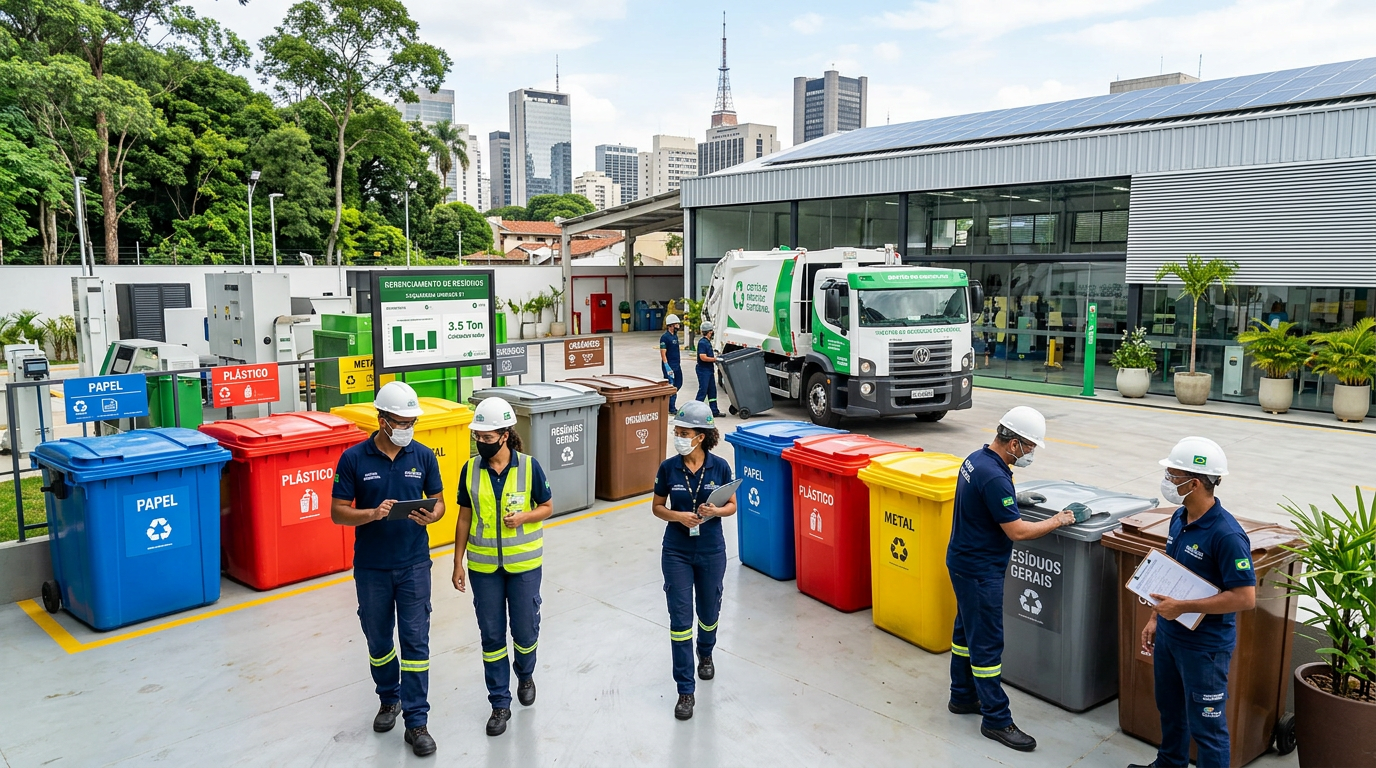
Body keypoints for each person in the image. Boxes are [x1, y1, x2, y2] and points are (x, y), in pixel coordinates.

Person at [945, 406, 1075, 753]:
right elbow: (1017, 531)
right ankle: (996, 719)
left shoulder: (977, 459)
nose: (1032, 452)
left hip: (961, 561)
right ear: (1014, 442)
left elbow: (983, 499)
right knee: (987, 643)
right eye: (1030, 445)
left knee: (965, 633)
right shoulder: (995, 476)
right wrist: (1058, 521)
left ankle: (961, 696)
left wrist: (1012, 499)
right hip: (979, 570)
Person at [331, 381, 444, 757]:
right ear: (382, 421)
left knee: (415, 643)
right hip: (372, 568)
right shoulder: (354, 460)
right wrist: (372, 513)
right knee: (379, 642)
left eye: (412, 421)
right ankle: (388, 698)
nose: (407, 428)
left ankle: (417, 722)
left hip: (414, 564)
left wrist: (432, 515)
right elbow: (337, 512)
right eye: (401, 421)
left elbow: (440, 502)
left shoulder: (424, 456)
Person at [1129, 437, 1255, 768]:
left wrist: (1182, 609)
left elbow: (1245, 597)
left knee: (1208, 728)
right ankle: (1168, 764)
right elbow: (1172, 576)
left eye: (1172, 475)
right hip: (1171, 636)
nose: (1167, 482)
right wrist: (1156, 618)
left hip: (1205, 649)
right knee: (1170, 709)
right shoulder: (1179, 517)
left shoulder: (1227, 536)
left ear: (1194, 482)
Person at [452, 396, 554, 738]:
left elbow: (548, 506)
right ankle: (499, 702)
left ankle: (525, 673)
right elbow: (464, 516)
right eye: (477, 437)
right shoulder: (470, 469)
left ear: (505, 434)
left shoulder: (529, 467)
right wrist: (456, 562)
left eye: (487, 436)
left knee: (524, 631)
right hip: (483, 567)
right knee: (492, 636)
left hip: (524, 565)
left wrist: (525, 516)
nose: (481, 442)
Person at [651, 401, 736, 721]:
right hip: (676, 551)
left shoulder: (720, 467)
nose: (678, 437)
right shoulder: (668, 468)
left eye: (684, 433)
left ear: (700, 436)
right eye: (676, 432)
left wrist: (716, 512)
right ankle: (685, 690)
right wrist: (677, 517)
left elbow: (731, 505)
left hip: (712, 550)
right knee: (679, 620)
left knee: (709, 610)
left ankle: (706, 651)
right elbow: (657, 507)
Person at [694, 321, 722, 417]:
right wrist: (714, 359)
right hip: (703, 370)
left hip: (709, 370)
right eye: (712, 331)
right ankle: (694, 411)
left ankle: (714, 411)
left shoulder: (707, 342)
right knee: (703, 390)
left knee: (712, 391)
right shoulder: (702, 343)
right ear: (709, 332)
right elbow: (702, 357)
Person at [660, 313, 684, 412]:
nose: (678, 326)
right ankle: (671, 408)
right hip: (669, 366)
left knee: (679, 383)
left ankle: (669, 403)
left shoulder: (675, 336)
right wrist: (667, 366)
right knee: (671, 385)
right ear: (671, 325)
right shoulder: (665, 338)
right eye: (676, 324)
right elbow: (663, 353)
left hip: (677, 365)